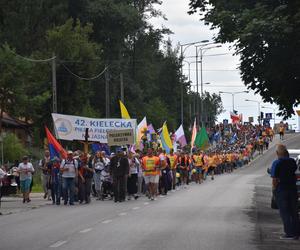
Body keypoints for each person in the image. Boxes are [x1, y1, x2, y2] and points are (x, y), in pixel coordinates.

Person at [271, 144, 300, 240]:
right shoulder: (292, 162)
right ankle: (296, 232)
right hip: (292, 188)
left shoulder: (276, 163)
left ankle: (289, 233)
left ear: (277, 153)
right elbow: (294, 171)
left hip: (282, 189)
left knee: (285, 212)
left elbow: (274, 179)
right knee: (294, 211)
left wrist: (274, 190)